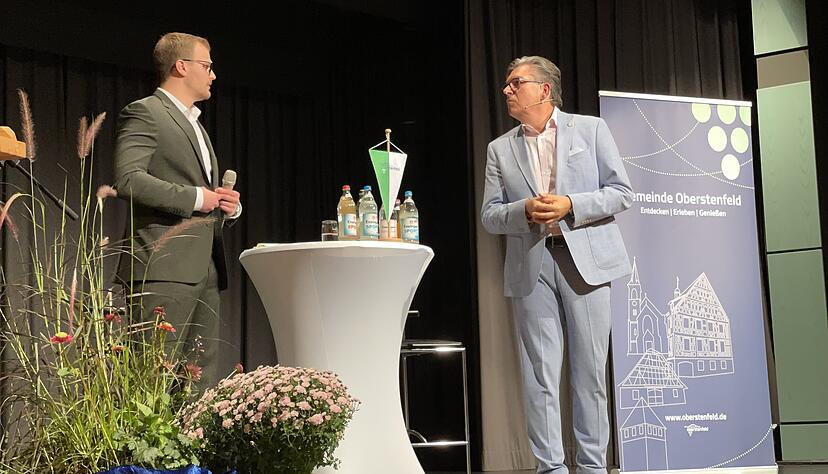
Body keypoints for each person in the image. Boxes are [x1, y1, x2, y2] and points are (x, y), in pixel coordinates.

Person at [480, 56, 633, 474]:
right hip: (533, 265)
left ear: (544, 90)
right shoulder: (499, 148)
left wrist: (571, 205)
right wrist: (525, 210)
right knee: (540, 376)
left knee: (589, 374)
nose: (506, 90)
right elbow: (490, 215)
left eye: (516, 83)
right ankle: (550, 468)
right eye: (507, 84)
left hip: (585, 262)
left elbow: (621, 192)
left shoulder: (590, 129)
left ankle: (592, 468)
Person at [113, 32, 241, 388]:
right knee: (151, 379)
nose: (213, 74)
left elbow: (204, 195)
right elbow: (128, 180)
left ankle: (193, 445)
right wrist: (197, 198)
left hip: (206, 268)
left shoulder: (195, 124)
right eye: (208, 66)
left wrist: (225, 206)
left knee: (198, 381)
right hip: (164, 267)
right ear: (181, 67)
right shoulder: (146, 113)